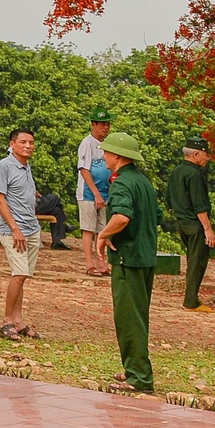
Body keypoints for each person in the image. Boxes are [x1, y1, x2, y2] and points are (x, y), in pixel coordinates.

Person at [95, 130, 159, 393]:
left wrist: (103, 233)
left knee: (128, 318)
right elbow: (158, 215)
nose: (104, 155)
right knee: (139, 316)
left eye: (107, 151)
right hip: (146, 257)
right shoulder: (143, 181)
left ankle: (139, 377)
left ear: (118, 156)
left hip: (128, 258)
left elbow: (122, 216)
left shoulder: (121, 182)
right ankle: (135, 369)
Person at [0, 129, 43, 341]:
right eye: (23, 142)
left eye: (31, 142)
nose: (28, 146)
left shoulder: (26, 166)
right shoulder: (4, 166)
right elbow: (0, 200)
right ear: (12, 144)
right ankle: (6, 321)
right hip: (14, 230)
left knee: (24, 275)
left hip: (31, 228)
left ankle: (18, 320)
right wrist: (14, 228)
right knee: (19, 274)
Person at [168, 136, 215, 312]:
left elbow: (169, 198)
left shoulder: (176, 171)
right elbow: (199, 205)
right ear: (196, 154)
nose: (208, 158)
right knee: (198, 261)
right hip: (196, 224)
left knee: (191, 259)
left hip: (181, 222)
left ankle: (192, 296)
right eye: (206, 154)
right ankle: (190, 301)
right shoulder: (194, 174)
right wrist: (208, 230)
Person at [77, 110, 114, 276]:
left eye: (108, 124)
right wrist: (96, 193)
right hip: (88, 194)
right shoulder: (87, 143)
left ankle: (101, 263)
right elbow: (84, 170)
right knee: (88, 229)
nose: (106, 127)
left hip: (105, 192)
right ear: (93, 124)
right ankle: (89, 264)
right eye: (102, 124)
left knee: (103, 230)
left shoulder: (107, 144)